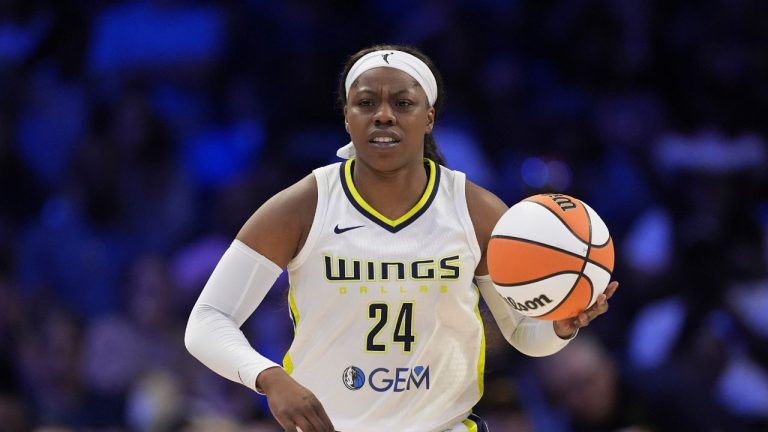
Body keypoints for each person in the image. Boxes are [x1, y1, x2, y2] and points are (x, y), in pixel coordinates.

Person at [185, 44, 619, 432]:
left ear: (428, 117)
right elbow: (207, 319)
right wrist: (269, 377)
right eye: (366, 102)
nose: (384, 114)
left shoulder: (476, 209)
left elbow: (526, 336)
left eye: (403, 102)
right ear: (347, 116)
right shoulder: (303, 206)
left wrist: (559, 327)